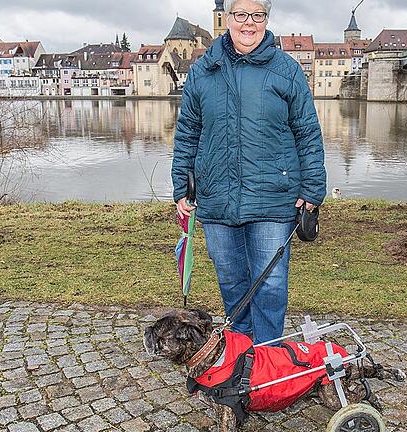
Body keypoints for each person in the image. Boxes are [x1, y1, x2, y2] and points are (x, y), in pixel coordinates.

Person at [171, 0, 326, 344]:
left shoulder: (286, 70)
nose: (249, 23)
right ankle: (242, 352)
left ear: (266, 19)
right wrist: (182, 187)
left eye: (258, 15)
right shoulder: (203, 70)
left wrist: (313, 189)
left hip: (274, 197)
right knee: (231, 282)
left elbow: (307, 132)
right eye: (241, 15)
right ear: (227, 19)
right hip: (216, 198)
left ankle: (269, 356)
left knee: (270, 285)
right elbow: (188, 132)